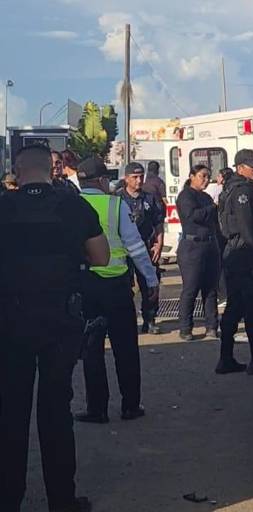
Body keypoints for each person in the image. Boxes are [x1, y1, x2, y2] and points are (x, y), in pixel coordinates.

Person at [0, 145, 110, 512]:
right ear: (53, 169)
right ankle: (62, 500)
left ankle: (8, 499)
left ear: (16, 171)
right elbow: (101, 257)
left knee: (11, 413)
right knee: (56, 413)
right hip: (60, 323)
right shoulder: (74, 206)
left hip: (10, 323)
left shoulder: (3, 207)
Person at [76, 157, 159, 424]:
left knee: (92, 350)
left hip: (86, 287)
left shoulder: (72, 205)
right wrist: (151, 280)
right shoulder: (115, 204)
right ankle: (130, 406)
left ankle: (97, 409)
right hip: (117, 287)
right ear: (102, 180)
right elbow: (135, 246)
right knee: (126, 349)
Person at [218, 149, 253, 375]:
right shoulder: (243, 191)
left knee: (235, 306)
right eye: (252, 166)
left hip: (235, 253)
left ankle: (227, 358)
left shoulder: (232, 188)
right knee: (251, 309)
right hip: (244, 254)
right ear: (240, 168)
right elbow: (246, 226)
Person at [117, 162, 165, 334]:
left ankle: (150, 320)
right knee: (125, 287)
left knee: (150, 284)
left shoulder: (149, 198)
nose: (139, 180)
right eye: (135, 177)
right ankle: (126, 320)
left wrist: (159, 243)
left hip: (146, 245)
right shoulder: (118, 198)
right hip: (124, 248)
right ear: (126, 178)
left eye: (141, 177)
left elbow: (158, 221)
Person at [176, 164, 220, 341]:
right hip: (192, 247)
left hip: (210, 245)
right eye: (202, 176)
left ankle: (212, 326)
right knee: (191, 288)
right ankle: (185, 328)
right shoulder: (186, 196)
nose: (206, 180)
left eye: (208, 177)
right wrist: (212, 208)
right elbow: (193, 216)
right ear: (192, 176)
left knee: (210, 290)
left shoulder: (206, 197)